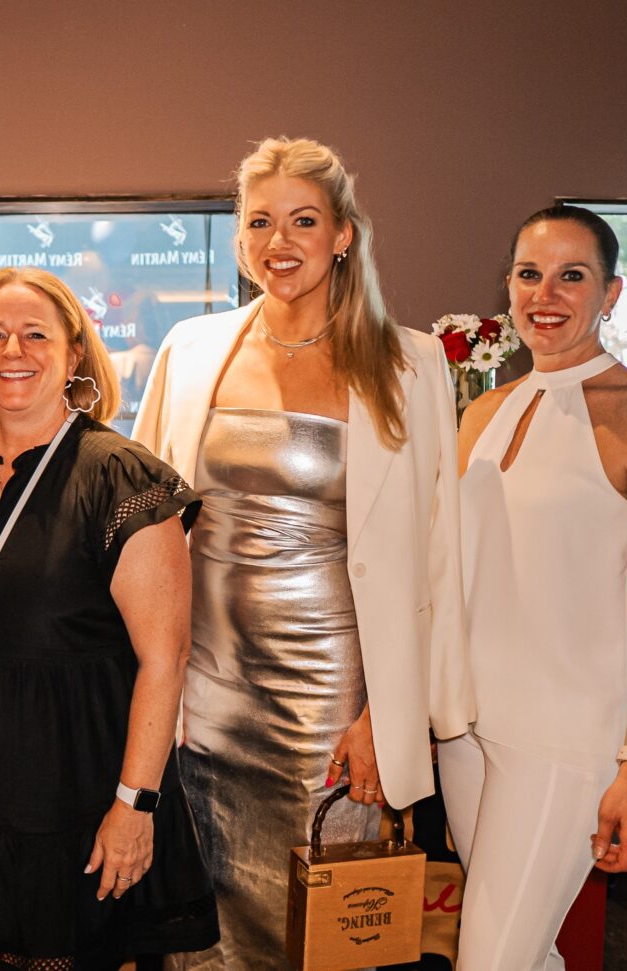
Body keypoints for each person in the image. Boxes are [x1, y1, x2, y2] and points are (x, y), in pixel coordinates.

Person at [132, 136, 473, 968]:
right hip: (203, 696)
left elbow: (441, 553)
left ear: (344, 234)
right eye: (259, 222)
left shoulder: (410, 362)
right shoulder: (190, 350)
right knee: (201, 926)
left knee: (323, 933)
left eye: (303, 221)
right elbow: (143, 527)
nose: (278, 242)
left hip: (330, 704)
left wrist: (387, 716)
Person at [0, 267, 219, 970]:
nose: (14, 350)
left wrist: (134, 805)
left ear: (74, 354)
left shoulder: (120, 477)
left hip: (80, 790)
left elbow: (165, 659)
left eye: (36, 334)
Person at [437, 205, 627, 970]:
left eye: (572, 276)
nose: (545, 294)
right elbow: (451, 580)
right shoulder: (483, 411)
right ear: (508, 285)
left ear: (611, 293)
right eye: (529, 274)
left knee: (490, 962)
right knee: (526, 956)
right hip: (465, 732)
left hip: (563, 742)